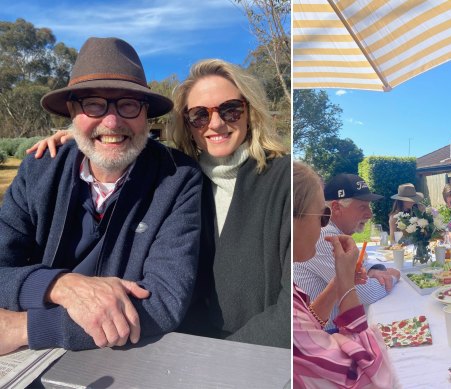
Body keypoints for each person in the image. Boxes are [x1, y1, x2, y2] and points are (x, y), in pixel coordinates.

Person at [29, 58, 290, 348]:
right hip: (175, 350)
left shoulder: (283, 181)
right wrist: (85, 139)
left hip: (246, 357)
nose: (215, 123)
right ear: (187, 124)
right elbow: (119, 138)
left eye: (230, 110)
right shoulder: (182, 176)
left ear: (250, 112)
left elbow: (291, 309)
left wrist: (220, 362)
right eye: (200, 115)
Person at [0, 37, 202, 355]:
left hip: (123, 359)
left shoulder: (178, 178)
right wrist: (61, 287)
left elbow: (164, 300)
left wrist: (24, 327)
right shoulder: (37, 171)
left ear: (145, 113)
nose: (111, 121)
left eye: (128, 104)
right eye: (94, 103)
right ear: (72, 111)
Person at [292, 162, 399, 388]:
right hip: (329, 335)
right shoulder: (326, 238)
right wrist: (393, 274)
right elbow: (372, 375)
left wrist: (348, 278)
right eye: (322, 215)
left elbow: (308, 320)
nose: (323, 226)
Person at [294, 173, 401, 330]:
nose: (370, 214)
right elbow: (365, 294)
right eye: (362, 207)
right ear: (336, 208)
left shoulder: (337, 233)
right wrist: (393, 275)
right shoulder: (326, 236)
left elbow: (359, 264)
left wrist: (374, 270)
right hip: (323, 333)